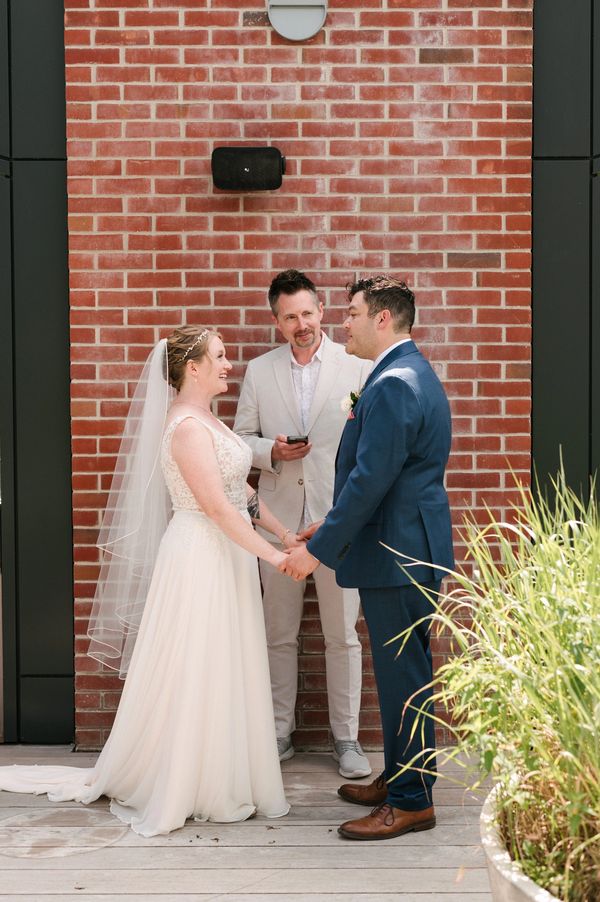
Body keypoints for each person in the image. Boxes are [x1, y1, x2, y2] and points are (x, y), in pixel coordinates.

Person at [0, 326, 293, 836]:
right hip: (200, 556)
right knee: (196, 662)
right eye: (220, 358)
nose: (228, 365)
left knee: (225, 660)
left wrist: (287, 533)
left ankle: (225, 772)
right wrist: (275, 557)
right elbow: (217, 508)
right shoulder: (183, 427)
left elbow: (240, 491)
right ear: (193, 368)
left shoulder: (208, 420)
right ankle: (186, 780)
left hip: (229, 557)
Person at [282, 276, 454, 841]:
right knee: (405, 673)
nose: (344, 323)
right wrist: (325, 525)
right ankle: (405, 776)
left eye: (353, 313)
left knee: (403, 676)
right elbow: (380, 478)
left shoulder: (395, 384)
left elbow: (370, 482)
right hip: (405, 546)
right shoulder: (403, 374)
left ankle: (410, 803)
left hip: (397, 552)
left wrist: (318, 550)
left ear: (382, 319)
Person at [234, 269, 372, 778]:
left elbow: (368, 444)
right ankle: (277, 733)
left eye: (308, 313)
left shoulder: (355, 366)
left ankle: (348, 739)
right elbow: (237, 438)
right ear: (277, 321)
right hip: (279, 526)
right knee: (278, 633)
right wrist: (270, 450)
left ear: (322, 313)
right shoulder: (258, 371)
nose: (301, 324)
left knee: (343, 635)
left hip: (339, 520)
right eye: (290, 316)